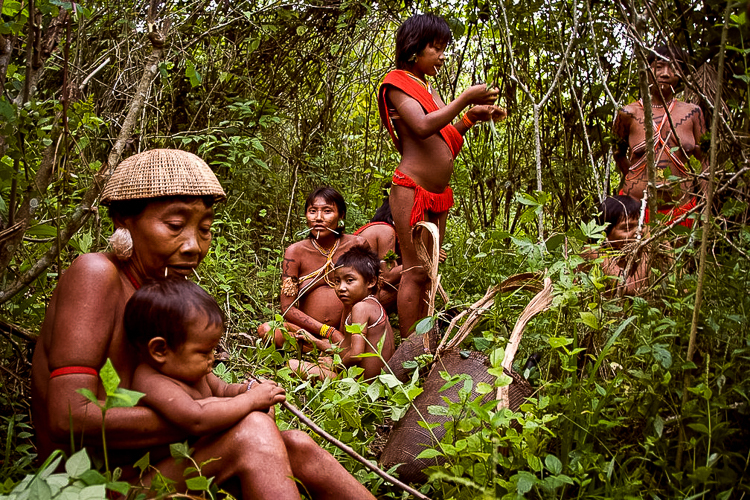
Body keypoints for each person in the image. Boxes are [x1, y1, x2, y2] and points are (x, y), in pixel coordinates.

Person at [31, 149, 375, 500]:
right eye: (175, 226)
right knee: (252, 432)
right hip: (90, 487)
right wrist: (209, 416)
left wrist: (242, 394)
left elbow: (205, 385)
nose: (194, 246)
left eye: (205, 229)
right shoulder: (96, 274)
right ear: (123, 221)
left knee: (296, 444)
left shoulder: (163, 294)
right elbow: (68, 418)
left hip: (154, 465)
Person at [378, 13, 506, 338]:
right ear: (413, 49)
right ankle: (410, 351)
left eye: (444, 48)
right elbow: (421, 128)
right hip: (412, 189)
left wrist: (469, 118)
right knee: (416, 271)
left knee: (430, 272)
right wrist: (464, 98)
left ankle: (424, 343)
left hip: (438, 195)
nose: (442, 56)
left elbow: (442, 144)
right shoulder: (396, 83)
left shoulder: (426, 88)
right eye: (436, 48)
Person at [125, 278, 284, 437]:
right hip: (182, 459)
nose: (212, 357)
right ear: (160, 350)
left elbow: (224, 390)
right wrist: (252, 400)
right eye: (204, 352)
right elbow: (197, 418)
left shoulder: (197, 373)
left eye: (213, 350)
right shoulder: (152, 382)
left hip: (209, 450)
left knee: (299, 441)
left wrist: (248, 389)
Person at [257, 187, 369, 348]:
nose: (318, 218)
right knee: (268, 330)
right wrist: (327, 331)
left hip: (350, 331)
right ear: (305, 216)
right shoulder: (296, 252)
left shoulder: (357, 245)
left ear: (341, 215)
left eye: (327, 211)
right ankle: (318, 349)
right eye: (312, 211)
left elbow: (370, 292)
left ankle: (338, 350)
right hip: (306, 333)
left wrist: (345, 330)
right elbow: (287, 307)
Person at [612, 44, 707, 228]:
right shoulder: (627, 113)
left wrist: (705, 202)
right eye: (659, 67)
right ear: (648, 71)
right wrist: (635, 181)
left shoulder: (693, 113)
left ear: (681, 73)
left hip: (682, 210)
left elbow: (704, 160)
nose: (665, 73)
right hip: (636, 210)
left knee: (679, 256)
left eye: (673, 67)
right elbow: (618, 153)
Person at [289, 247, 395, 380]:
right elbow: (347, 346)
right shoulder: (374, 305)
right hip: (379, 381)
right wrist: (315, 341)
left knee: (291, 365)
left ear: (371, 282)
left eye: (350, 280)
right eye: (337, 282)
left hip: (361, 385)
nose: (341, 288)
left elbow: (356, 353)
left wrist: (334, 366)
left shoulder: (361, 308)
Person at [583, 195, 652, 295]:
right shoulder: (593, 253)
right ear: (605, 232)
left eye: (641, 226)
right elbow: (629, 289)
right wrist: (648, 247)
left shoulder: (635, 254)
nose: (638, 232)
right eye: (627, 229)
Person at [353, 194, 401, 312]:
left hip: (358, 293)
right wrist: (424, 259)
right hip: (353, 298)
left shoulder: (387, 231)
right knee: (417, 281)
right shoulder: (385, 230)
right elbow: (388, 278)